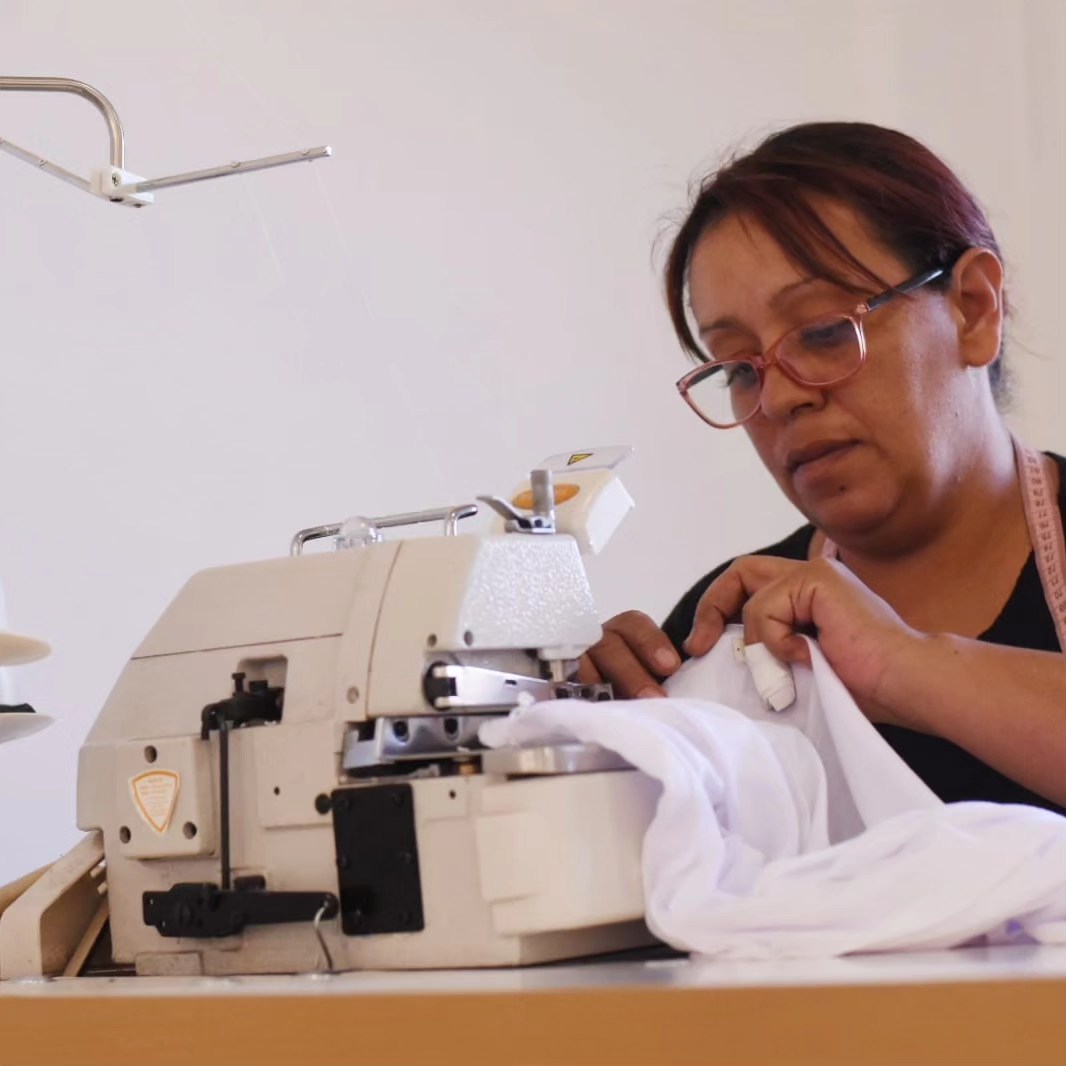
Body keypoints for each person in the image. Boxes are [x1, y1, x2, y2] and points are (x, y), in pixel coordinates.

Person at [580, 121, 1066, 814]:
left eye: (826, 331)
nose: (780, 397)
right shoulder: (724, 628)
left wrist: (902, 665)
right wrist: (601, 751)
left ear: (973, 309)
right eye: (740, 369)